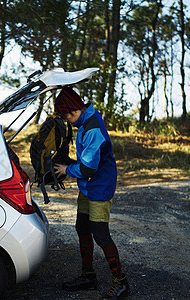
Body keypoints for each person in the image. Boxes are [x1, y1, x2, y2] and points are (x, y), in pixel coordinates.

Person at [54, 87, 129, 300]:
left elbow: (88, 168)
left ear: (76, 109)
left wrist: (66, 169)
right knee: (82, 227)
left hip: (99, 186)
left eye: (68, 116)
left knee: (101, 234)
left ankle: (121, 282)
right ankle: (88, 277)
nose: (67, 120)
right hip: (88, 185)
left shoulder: (92, 127)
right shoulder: (85, 121)